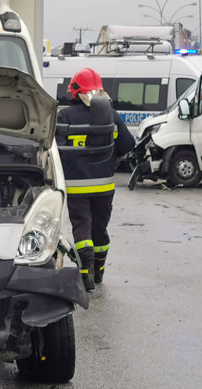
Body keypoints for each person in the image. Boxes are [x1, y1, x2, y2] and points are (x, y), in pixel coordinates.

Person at [56, 68, 135, 292]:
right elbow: (128, 146)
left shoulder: (64, 116)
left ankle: (85, 272)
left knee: (82, 227)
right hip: (105, 186)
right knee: (100, 229)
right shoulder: (112, 115)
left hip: (76, 187)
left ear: (74, 91)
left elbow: (54, 150)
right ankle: (99, 271)